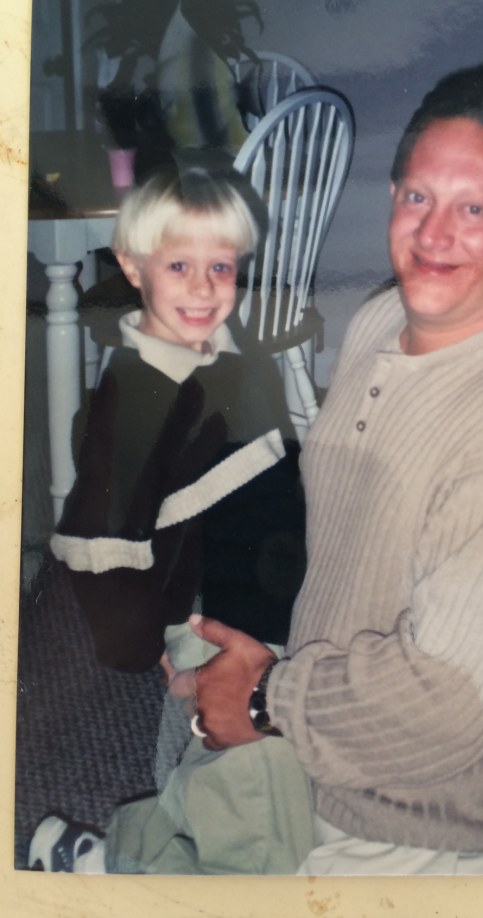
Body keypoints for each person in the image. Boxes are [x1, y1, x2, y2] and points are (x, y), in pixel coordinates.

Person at [38, 64, 483, 875]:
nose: (433, 233)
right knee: (201, 806)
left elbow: (453, 716)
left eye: (475, 209)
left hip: (431, 815)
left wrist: (265, 697)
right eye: (417, 196)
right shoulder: (385, 318)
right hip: (327, 707)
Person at [29, 164, 314, 873]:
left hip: (263, 590)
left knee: (220, 766)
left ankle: (115, 857)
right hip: (207, 610)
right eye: (180, 264)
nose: (204, 287)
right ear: (131, 264)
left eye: (221, 266)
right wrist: (144, 647)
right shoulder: (134, 393)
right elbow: (101, 538)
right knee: (249, 778)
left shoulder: (227, 353)